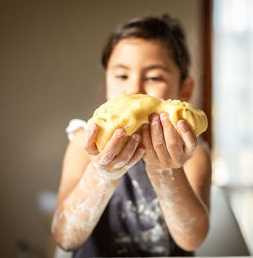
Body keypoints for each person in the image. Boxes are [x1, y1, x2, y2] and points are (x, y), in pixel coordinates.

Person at [51, 14, 212, 257]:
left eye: (154, 77)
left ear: (185, 89)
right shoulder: (83, 144)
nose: (134, 89)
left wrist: (167, 173)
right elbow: (65, 237)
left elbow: (192, 240)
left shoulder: (193, 155)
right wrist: (102, 174)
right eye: (122, 75)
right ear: (106, 82)